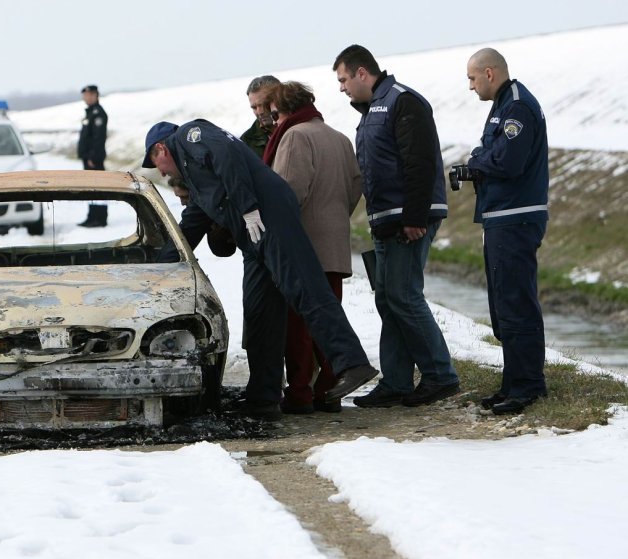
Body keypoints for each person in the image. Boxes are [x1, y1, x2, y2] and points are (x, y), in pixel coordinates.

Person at [144, 119, 379, 420]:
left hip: (269, 216)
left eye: (156, 162)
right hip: (252, 239)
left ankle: (351, 363)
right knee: (259, 314)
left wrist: (247, 207)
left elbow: (227, 154)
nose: (161, 171)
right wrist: (158, 267)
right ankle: (263, 399)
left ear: (161, 147)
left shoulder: (191, 135)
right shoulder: (196, 180)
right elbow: (191, 225)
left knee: (305, 289)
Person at [332, 44, 459, 408]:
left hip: (409, 219)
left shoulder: (403, 101)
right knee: (388, 298)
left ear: (361, 72)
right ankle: (397, 381)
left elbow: (419, 162)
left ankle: (440, 375)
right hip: (387, 221)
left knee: (404, 295)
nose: (341, 88)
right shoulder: (372, 110)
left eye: (343, 79)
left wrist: (415, 217)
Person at [459, 48, 549, 415]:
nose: (470, 86)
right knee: (502, 303)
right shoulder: (502, 105)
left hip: (516, 216)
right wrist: (482, 159)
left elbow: (506, 160)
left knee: (515, 300)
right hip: (501, 215)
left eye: (472, 78)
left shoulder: (517, 107)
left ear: (490, 73)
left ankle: (528, 385)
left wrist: (476, 162)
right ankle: (514, 380)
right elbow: (491, 151)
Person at [264, 81, 362, 414]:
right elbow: (354, 189)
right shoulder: (340, 138)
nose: (274, 122)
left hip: (304, 244)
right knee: (330, 318)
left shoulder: (296, 136)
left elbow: (289, 192)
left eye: (274, 114)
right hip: (335, 242)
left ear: (284, 109)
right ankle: (329, 389)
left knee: (301, 325)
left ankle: (300, 393)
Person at [77, 84, 108, 227]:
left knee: (98, 189)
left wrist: (93, 157)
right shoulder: (89, 113)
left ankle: (99, 218)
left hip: (94, 159)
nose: (87, 97)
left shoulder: (98, 114)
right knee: (90, 189)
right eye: (85, 95)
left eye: (90, 95)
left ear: (96, 95)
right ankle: (91, 216)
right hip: (88, 157)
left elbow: (98, 138)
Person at [240, 75, 280, 158]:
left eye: (264, 105)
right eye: (254, 107)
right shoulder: (246, 142)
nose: (259, 112)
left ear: (280, 98)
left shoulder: (301, 127)